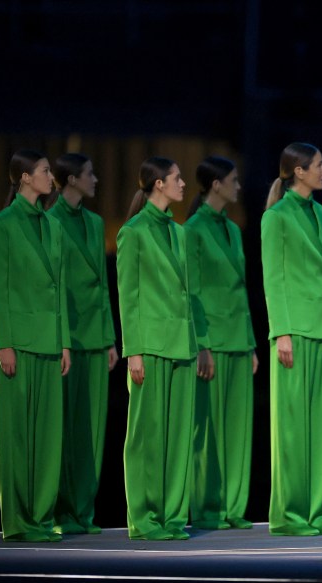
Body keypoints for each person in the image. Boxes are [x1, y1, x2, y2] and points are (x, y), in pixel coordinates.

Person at [262, 142, 322, 536]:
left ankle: (315, 512)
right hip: (294, 329)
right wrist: (280, 331)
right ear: (298, 171)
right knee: (293, 425)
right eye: (319, 165)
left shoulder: (321, 212)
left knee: (321, 425)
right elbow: (273, 278)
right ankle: (289, 514)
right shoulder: (276, 217)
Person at [117, 156, 204, 540]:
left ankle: (171, 515)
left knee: (177, 435)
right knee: (147, 434)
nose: (183, 184)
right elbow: (128, 295)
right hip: (150, 345)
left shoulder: (180, 232)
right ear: (158, 185)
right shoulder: (133, 232)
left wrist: (198, 344)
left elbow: (190, 295)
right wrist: (132, 350)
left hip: (182, 344)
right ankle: (144, 516)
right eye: (177, 178)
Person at [0, 150, 71, 542]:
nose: (51, 177)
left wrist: (65, 342)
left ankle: (41, 516)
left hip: (50, 342)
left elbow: (60, 289)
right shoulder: (1, 225)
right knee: (17, 436)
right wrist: (3, 342)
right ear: (24, 178)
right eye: (44, 171)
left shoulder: (53, 225)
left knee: (47, 436)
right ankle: (18, 519)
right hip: (18, 343)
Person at [47, 153, 118, 534]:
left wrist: (109, 337)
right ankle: (60, 511)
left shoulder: (94, 221)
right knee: (66, 427)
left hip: (94, 335)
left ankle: (83, 511)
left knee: (91, 430)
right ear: (71, 179)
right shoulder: (51, 220)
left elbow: (103, 285)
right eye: (89, 174)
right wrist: (61, 340)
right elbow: (53, 286)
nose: (95, 180)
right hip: (67, 338)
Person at [184, 156, 256, 530]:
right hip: (212, 339)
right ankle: (208, 506)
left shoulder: (231, 227)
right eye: (233, 179)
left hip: (239, 339)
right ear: (215, 185)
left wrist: (251, 342)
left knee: (236, 429)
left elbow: (241, 291)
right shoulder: (193, 228)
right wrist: (202, 343)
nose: (238, 185)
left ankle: (232, 506)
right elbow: (192, 290)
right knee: (208, 429)